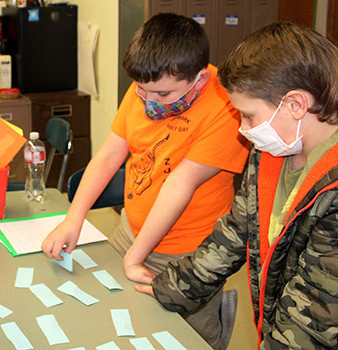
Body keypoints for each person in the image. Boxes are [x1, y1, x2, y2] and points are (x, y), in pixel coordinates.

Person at [42, 13, 250, 349]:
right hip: (131, 230)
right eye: (142, 91)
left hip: (188, 253)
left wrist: (135, 258)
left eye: (163, 95)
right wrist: (73, 219)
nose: (148, 102)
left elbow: (179, 186)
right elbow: (109, 156)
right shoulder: (149, 83)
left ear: (197, 81)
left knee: (187, 338)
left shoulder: (224, 106)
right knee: (119, 325)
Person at [135, 22, 338, 350]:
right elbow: (235, 231)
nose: (243, 130)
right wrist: (172, 288)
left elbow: (315, 313)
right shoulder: (273, 152)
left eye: (248, 115)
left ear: (296, 105)